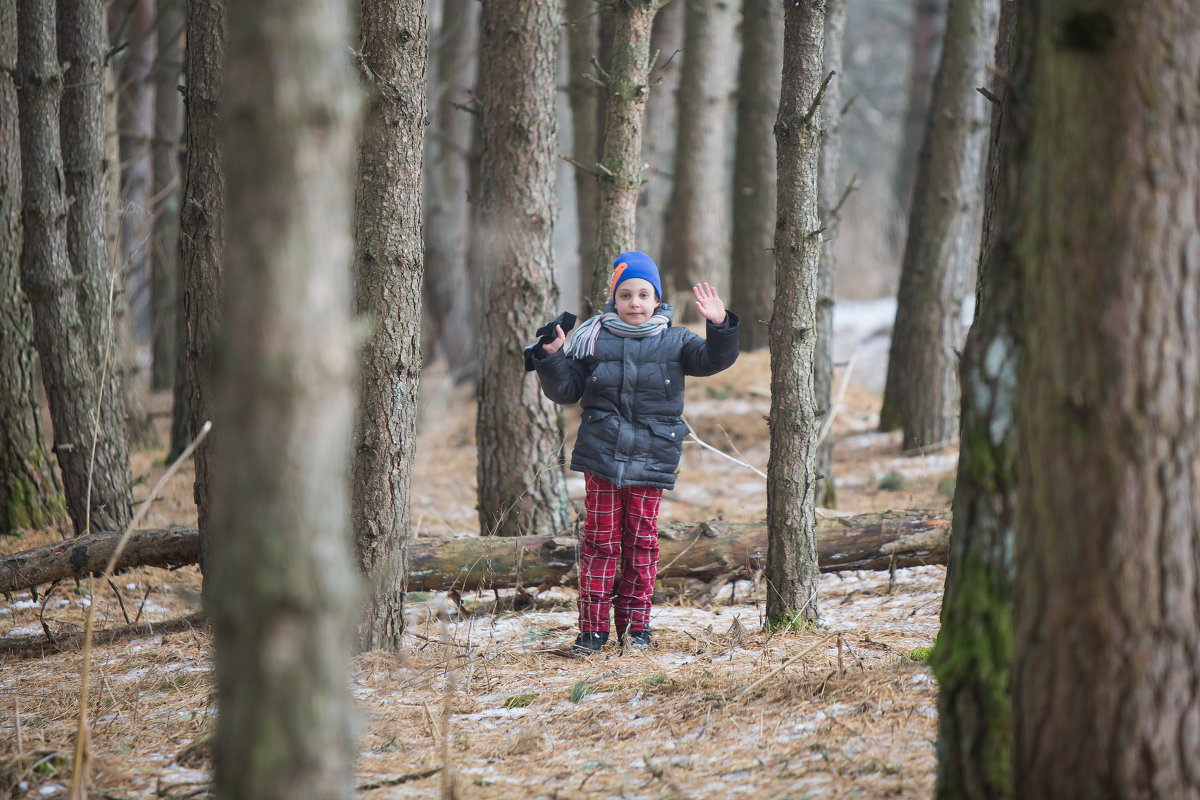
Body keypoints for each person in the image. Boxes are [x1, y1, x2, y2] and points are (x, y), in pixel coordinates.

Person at [529, 251, 739, 655]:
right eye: (626, 295)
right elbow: (565, 391)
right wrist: (553, 356)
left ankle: (635, 630)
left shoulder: (676, 341)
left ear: (657, 300)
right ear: (614, 299)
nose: (635, 303)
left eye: (644, 294)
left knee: (642, 543)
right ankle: (592, 632)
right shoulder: (592, 339)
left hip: (653, 455)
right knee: (600, 543)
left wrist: (719, 325)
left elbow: (715, 360)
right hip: (602, 456)